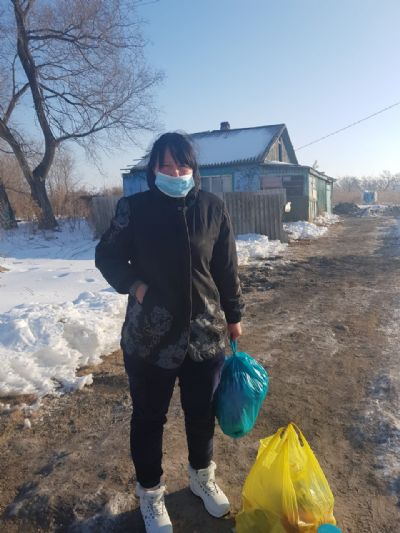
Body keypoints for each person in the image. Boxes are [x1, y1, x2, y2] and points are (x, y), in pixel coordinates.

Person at [95, 132, 243, 533]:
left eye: (182, 165)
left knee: (202, 412)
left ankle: (201, 476)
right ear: (153, 169)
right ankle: (151, 494)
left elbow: (226, 267)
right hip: (150, 339)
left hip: (204, 335)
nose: (175, 173)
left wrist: (234, 314)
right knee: (148, 418)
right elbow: (107, 255)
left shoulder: (212, 208)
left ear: (193, 168)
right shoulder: (134, 209)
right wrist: (136, 286)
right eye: (165, 165)